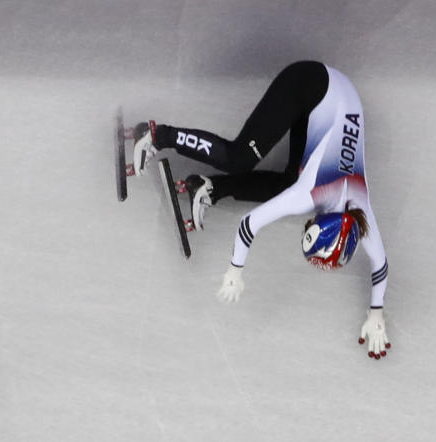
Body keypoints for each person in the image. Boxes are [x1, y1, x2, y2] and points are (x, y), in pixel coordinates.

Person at [132, 60, 393, 360]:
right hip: (309, 82)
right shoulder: (308, 195)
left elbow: (380, 264)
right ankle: (157, 135)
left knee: (287, 182)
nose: (304, 224)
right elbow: (248, 225)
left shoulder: (361, 213)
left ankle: (211, 187)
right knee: (238, 157)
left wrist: (376, 314)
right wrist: (235, 271)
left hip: (335, 97)